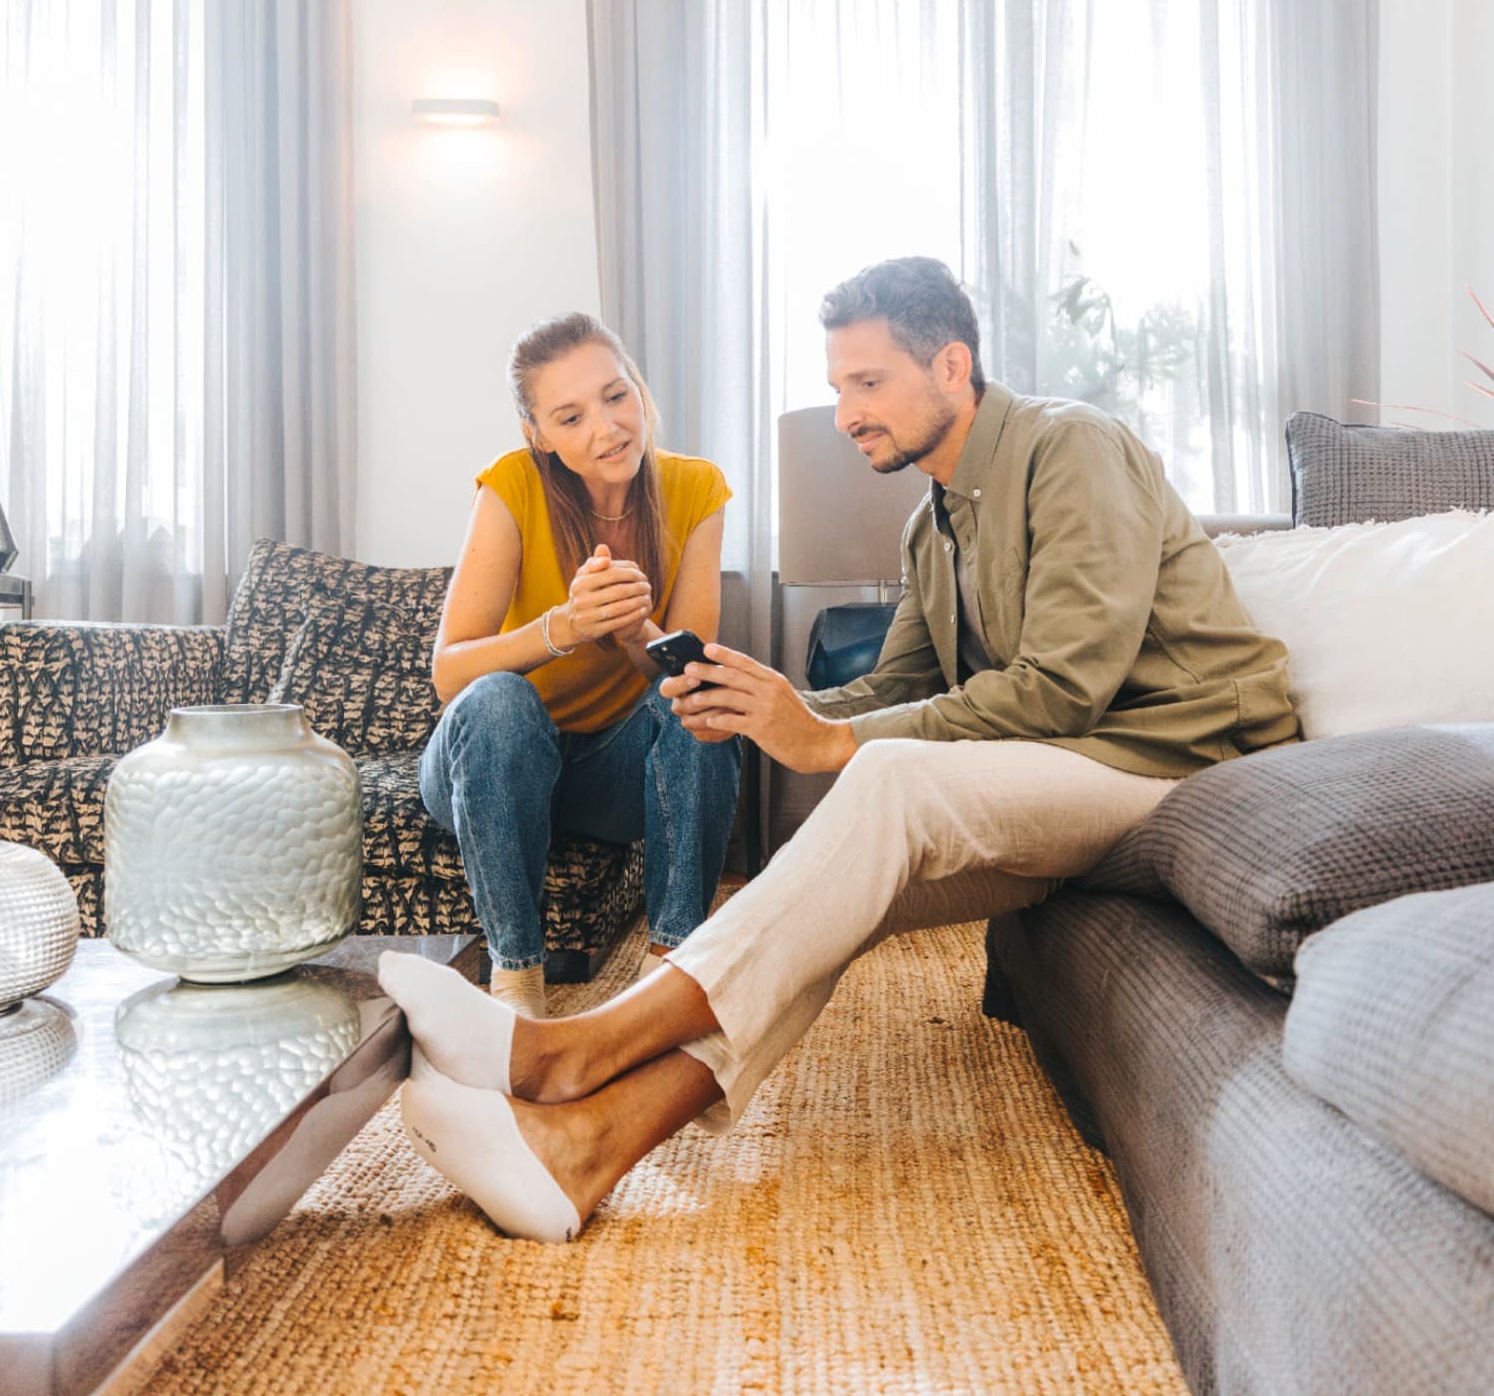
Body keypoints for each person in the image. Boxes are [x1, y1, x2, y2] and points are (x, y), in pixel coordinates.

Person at [385, 256, 1299, 1241]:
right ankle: (586, 1149)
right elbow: (887, 687)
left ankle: (564, 1058)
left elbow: (1065, 687)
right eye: (836, 389)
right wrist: (766, 706)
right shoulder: (931, 524)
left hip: (1182, 761)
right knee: (831, 895)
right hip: (1079, 770)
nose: (845, 412)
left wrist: (830, 738)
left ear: (951, 367)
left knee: (890, 777)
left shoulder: (1069, 448)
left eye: (868, 384)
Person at [420, 310, 741, 1019]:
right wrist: (563, 627)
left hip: (605, 777)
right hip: (488, 766)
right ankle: (517, 981)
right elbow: (450, 676)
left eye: (616, 396)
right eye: (570, 416)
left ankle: (672, 976)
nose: (606, 429)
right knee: (499, 698)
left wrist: (632, 631)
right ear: (537, 434)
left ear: (639, 389)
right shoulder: (512, 484)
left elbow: (683, 677)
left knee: (698, 703)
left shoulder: (697, 490)